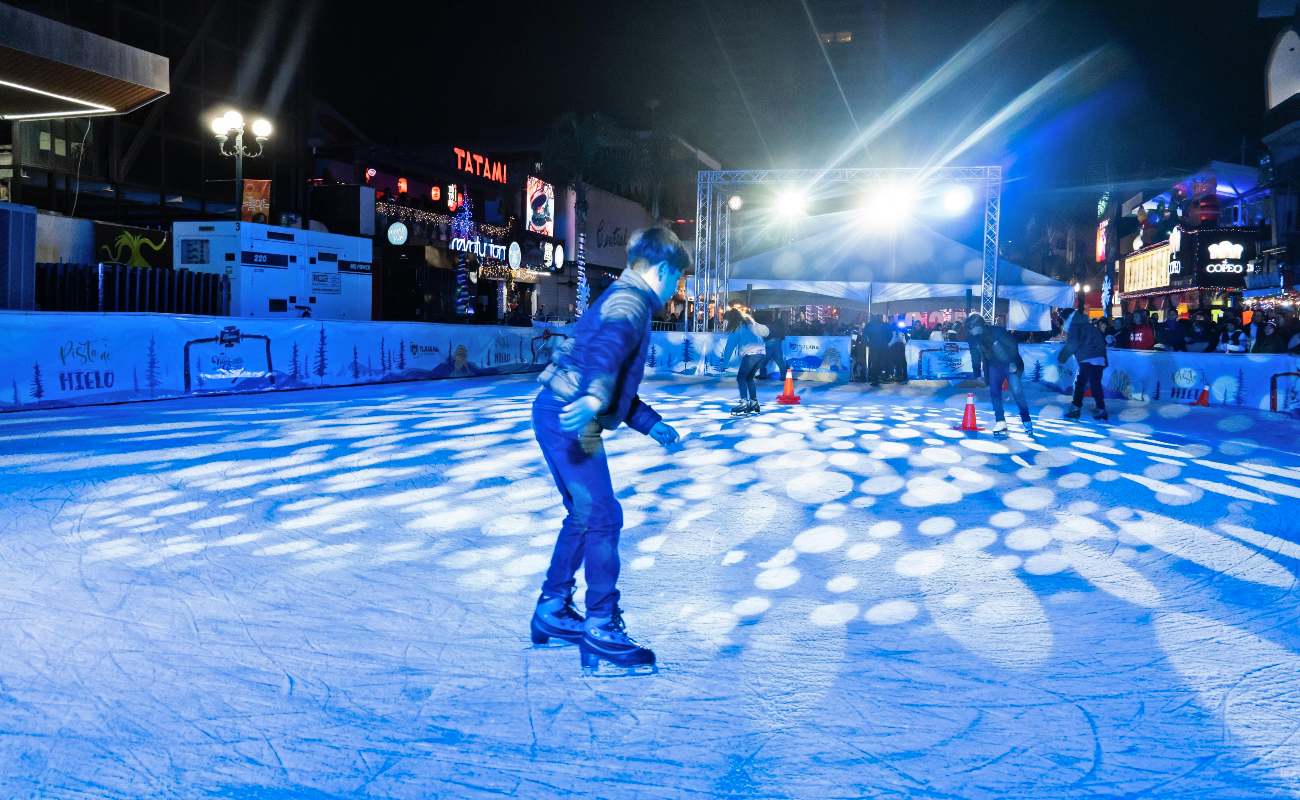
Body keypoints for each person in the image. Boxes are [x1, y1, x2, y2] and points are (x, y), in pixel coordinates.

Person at [529, 227, 688, 675]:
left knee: (585, 516)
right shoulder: (630, 302)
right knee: (602, 516)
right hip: (571, 416)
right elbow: (605, 355)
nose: (677, 290)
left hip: (560, 410)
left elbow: (611, 373)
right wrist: (595, 398)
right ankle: (600, 624)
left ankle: (552, 608)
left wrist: (648, 422)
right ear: (660, 270)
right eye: (677, 280)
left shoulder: (625, 296)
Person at [965, 314, 1033, 434]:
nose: (969, 330)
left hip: (1010, 364)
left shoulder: (997, 331)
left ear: (978, 326)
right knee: (994, 393)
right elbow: (974, 357)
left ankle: (1026, 420)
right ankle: (1001, 422)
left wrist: (1012, 362)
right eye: (968, 328)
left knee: (1017, 392)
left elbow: (1012, 345)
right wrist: (977, 373)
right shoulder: (972, 339)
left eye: (970, 327)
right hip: (993, 366)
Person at [1057, 309, 1108, 421]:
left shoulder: (1075, 327)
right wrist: (1104, 359)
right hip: (1099, 358)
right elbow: (1101, 342)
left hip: (1087, 358)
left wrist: (1062, 357)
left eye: (1064, 319)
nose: (1064, 322)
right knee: (1095, 384)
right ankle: (1101, 408)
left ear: (1068, 318)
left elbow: (1073, 344)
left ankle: (1075, 409)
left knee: (1080, 383)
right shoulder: (1089, 326)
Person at [720, 307, 770, 415]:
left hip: (751, 353)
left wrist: (724, 363)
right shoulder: (750, 323)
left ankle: (744, 402)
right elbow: (766, 331)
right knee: (749, 378)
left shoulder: (737, 327)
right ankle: (754, 402)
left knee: (741, 378)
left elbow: (730, 346)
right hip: (762, 353)